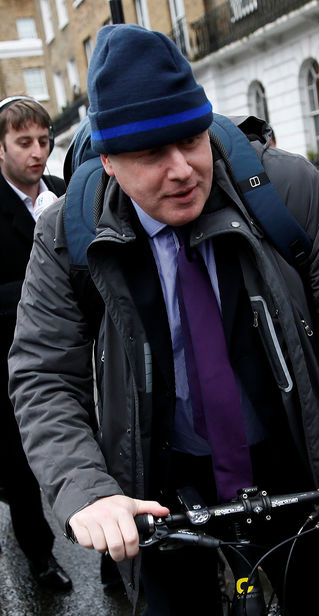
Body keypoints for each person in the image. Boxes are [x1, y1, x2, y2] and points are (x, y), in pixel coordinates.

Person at [8, 24, 319, 615]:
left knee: (312, 595)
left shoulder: (290, 189)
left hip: (290, 452)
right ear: (110, 162)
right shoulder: (64, 234)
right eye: (151, 153)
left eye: (192, 140)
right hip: (160, 474)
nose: (183, 170)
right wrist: (89, 491)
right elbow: (43, 376)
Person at [0, 96, 72, 591]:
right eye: (24, 142)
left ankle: (117, 560)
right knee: (21, 468)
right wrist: (40, 285)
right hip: (12, 363)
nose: (37, 152)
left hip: (77, 356)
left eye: (43, 141)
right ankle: (41, 558)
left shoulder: (65, 194)